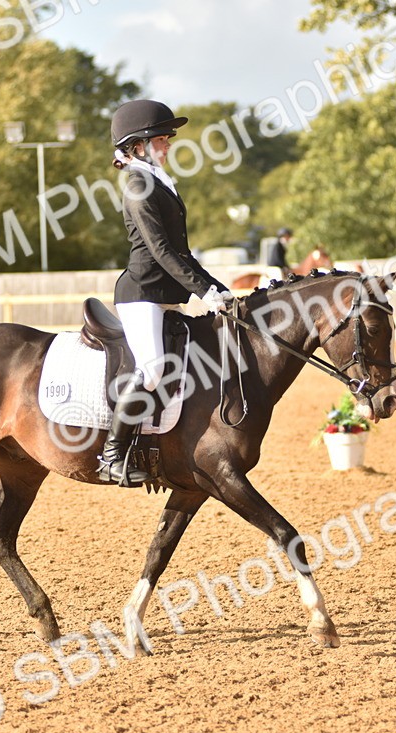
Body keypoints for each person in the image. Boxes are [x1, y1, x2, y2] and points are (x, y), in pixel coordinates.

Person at [102, 99, 234, 486]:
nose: (170, 145)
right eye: (163, 139)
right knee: (154, 370)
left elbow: (182, 253)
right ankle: (112, 455)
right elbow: (160, 251)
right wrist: (203, 293)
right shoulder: (139, 185)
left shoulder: (156, 180)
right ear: (139, 145)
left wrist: (218, 290)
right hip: (142, 293)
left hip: (163, 294)